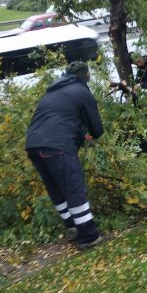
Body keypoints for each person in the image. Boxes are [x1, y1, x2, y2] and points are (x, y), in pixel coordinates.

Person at [25, 61, 105, 250]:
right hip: (57, 146)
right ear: (84, 74)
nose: (89, 76)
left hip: (34, 144)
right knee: (74, 188)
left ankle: (73, 228)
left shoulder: (53, 91)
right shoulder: (81, 91)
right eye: (88, 73)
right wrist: (91, 136)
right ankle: (88, 235)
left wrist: (82, 134)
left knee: (57, 189)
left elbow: (63, 118)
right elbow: (97, 128)